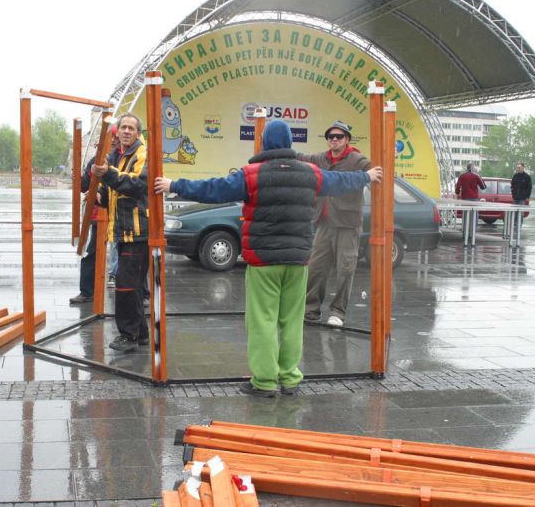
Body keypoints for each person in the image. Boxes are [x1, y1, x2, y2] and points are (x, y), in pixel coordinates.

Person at [154, 120, 382, 397]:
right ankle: (290, 378)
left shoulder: (252, 174)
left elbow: (213, 189)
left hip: (264, 261)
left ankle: (264, 382)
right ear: (289, 143)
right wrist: (366, 176)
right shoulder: (311, 173)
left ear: (265, 143)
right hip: (297, 261)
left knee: (263, 321)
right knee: (292, 321)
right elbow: (342, 182)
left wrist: (174, 184)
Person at [298, 120, 371, 327]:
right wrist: (277, 151)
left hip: (348, 224)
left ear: (347, 139)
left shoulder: (357, 160)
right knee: (316, 268)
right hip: (324, 223)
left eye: (339, 136)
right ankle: (310, 310)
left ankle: (338, 312)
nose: (335, 140)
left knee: (345, 269)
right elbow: (300, 158)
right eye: (331, 136)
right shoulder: (321, 158)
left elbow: (375, 172)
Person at [91, 113, 150, 352]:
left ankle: (128, 335)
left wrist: (108, 174)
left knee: (126, 285)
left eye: (130, 128)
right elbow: (112, 192)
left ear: (138, 133)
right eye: (123, 127)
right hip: (123, 231)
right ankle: (140, 333)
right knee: (131, 286)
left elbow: (137, 185)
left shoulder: (143, 153)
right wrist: (98, 194)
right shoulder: (116, 156)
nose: (126, 131)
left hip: (138, 231)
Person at [70, 155, 100, 304]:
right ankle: (86, 292)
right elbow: (85, 186)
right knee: (91, 254)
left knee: (130, 255)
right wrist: (78, 179)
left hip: (121, 216)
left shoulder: (127, 157)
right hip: (98, 215)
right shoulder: (95, 160)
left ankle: (143, 294)